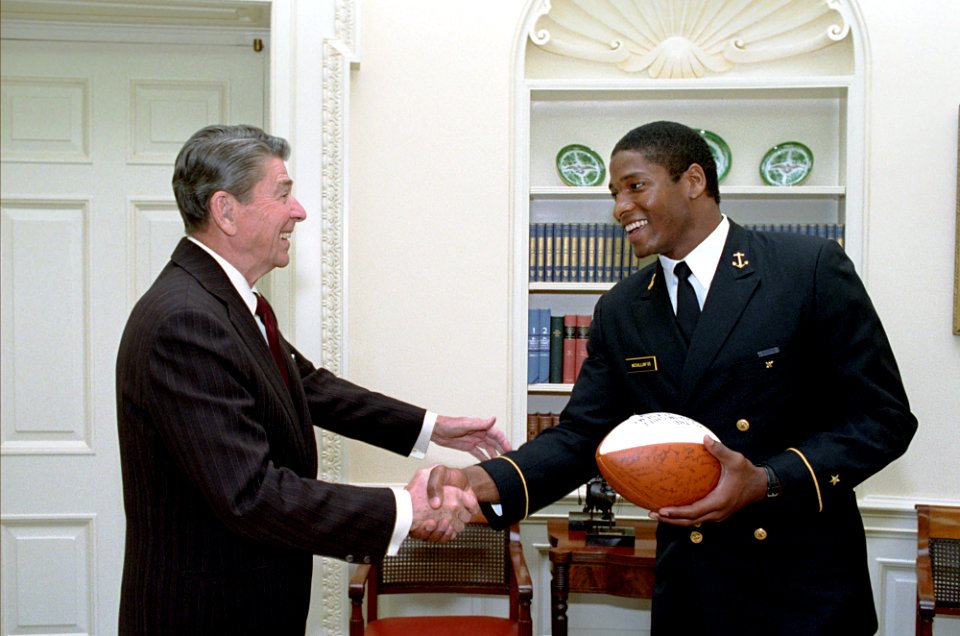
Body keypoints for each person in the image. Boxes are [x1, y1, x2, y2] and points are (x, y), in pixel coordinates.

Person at [431, 121, 918, 635]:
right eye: (614, 194)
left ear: (693, 180)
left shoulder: (806, 269)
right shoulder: (622, 309)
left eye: (635, 186)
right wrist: (479, 482)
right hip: (693, 589)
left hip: (803, 587)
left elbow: (882, 420)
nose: (621, 207)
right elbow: (580, 438)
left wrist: (767, 481)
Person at [115, 124, 508, 635]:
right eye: (282, 194)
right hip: (206, 612)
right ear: (225, 211)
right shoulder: (187, 321)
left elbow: (312, 388)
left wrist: (433, 427)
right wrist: (402, 508)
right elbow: (249, 494)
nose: (298, 210)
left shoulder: (226, 301)